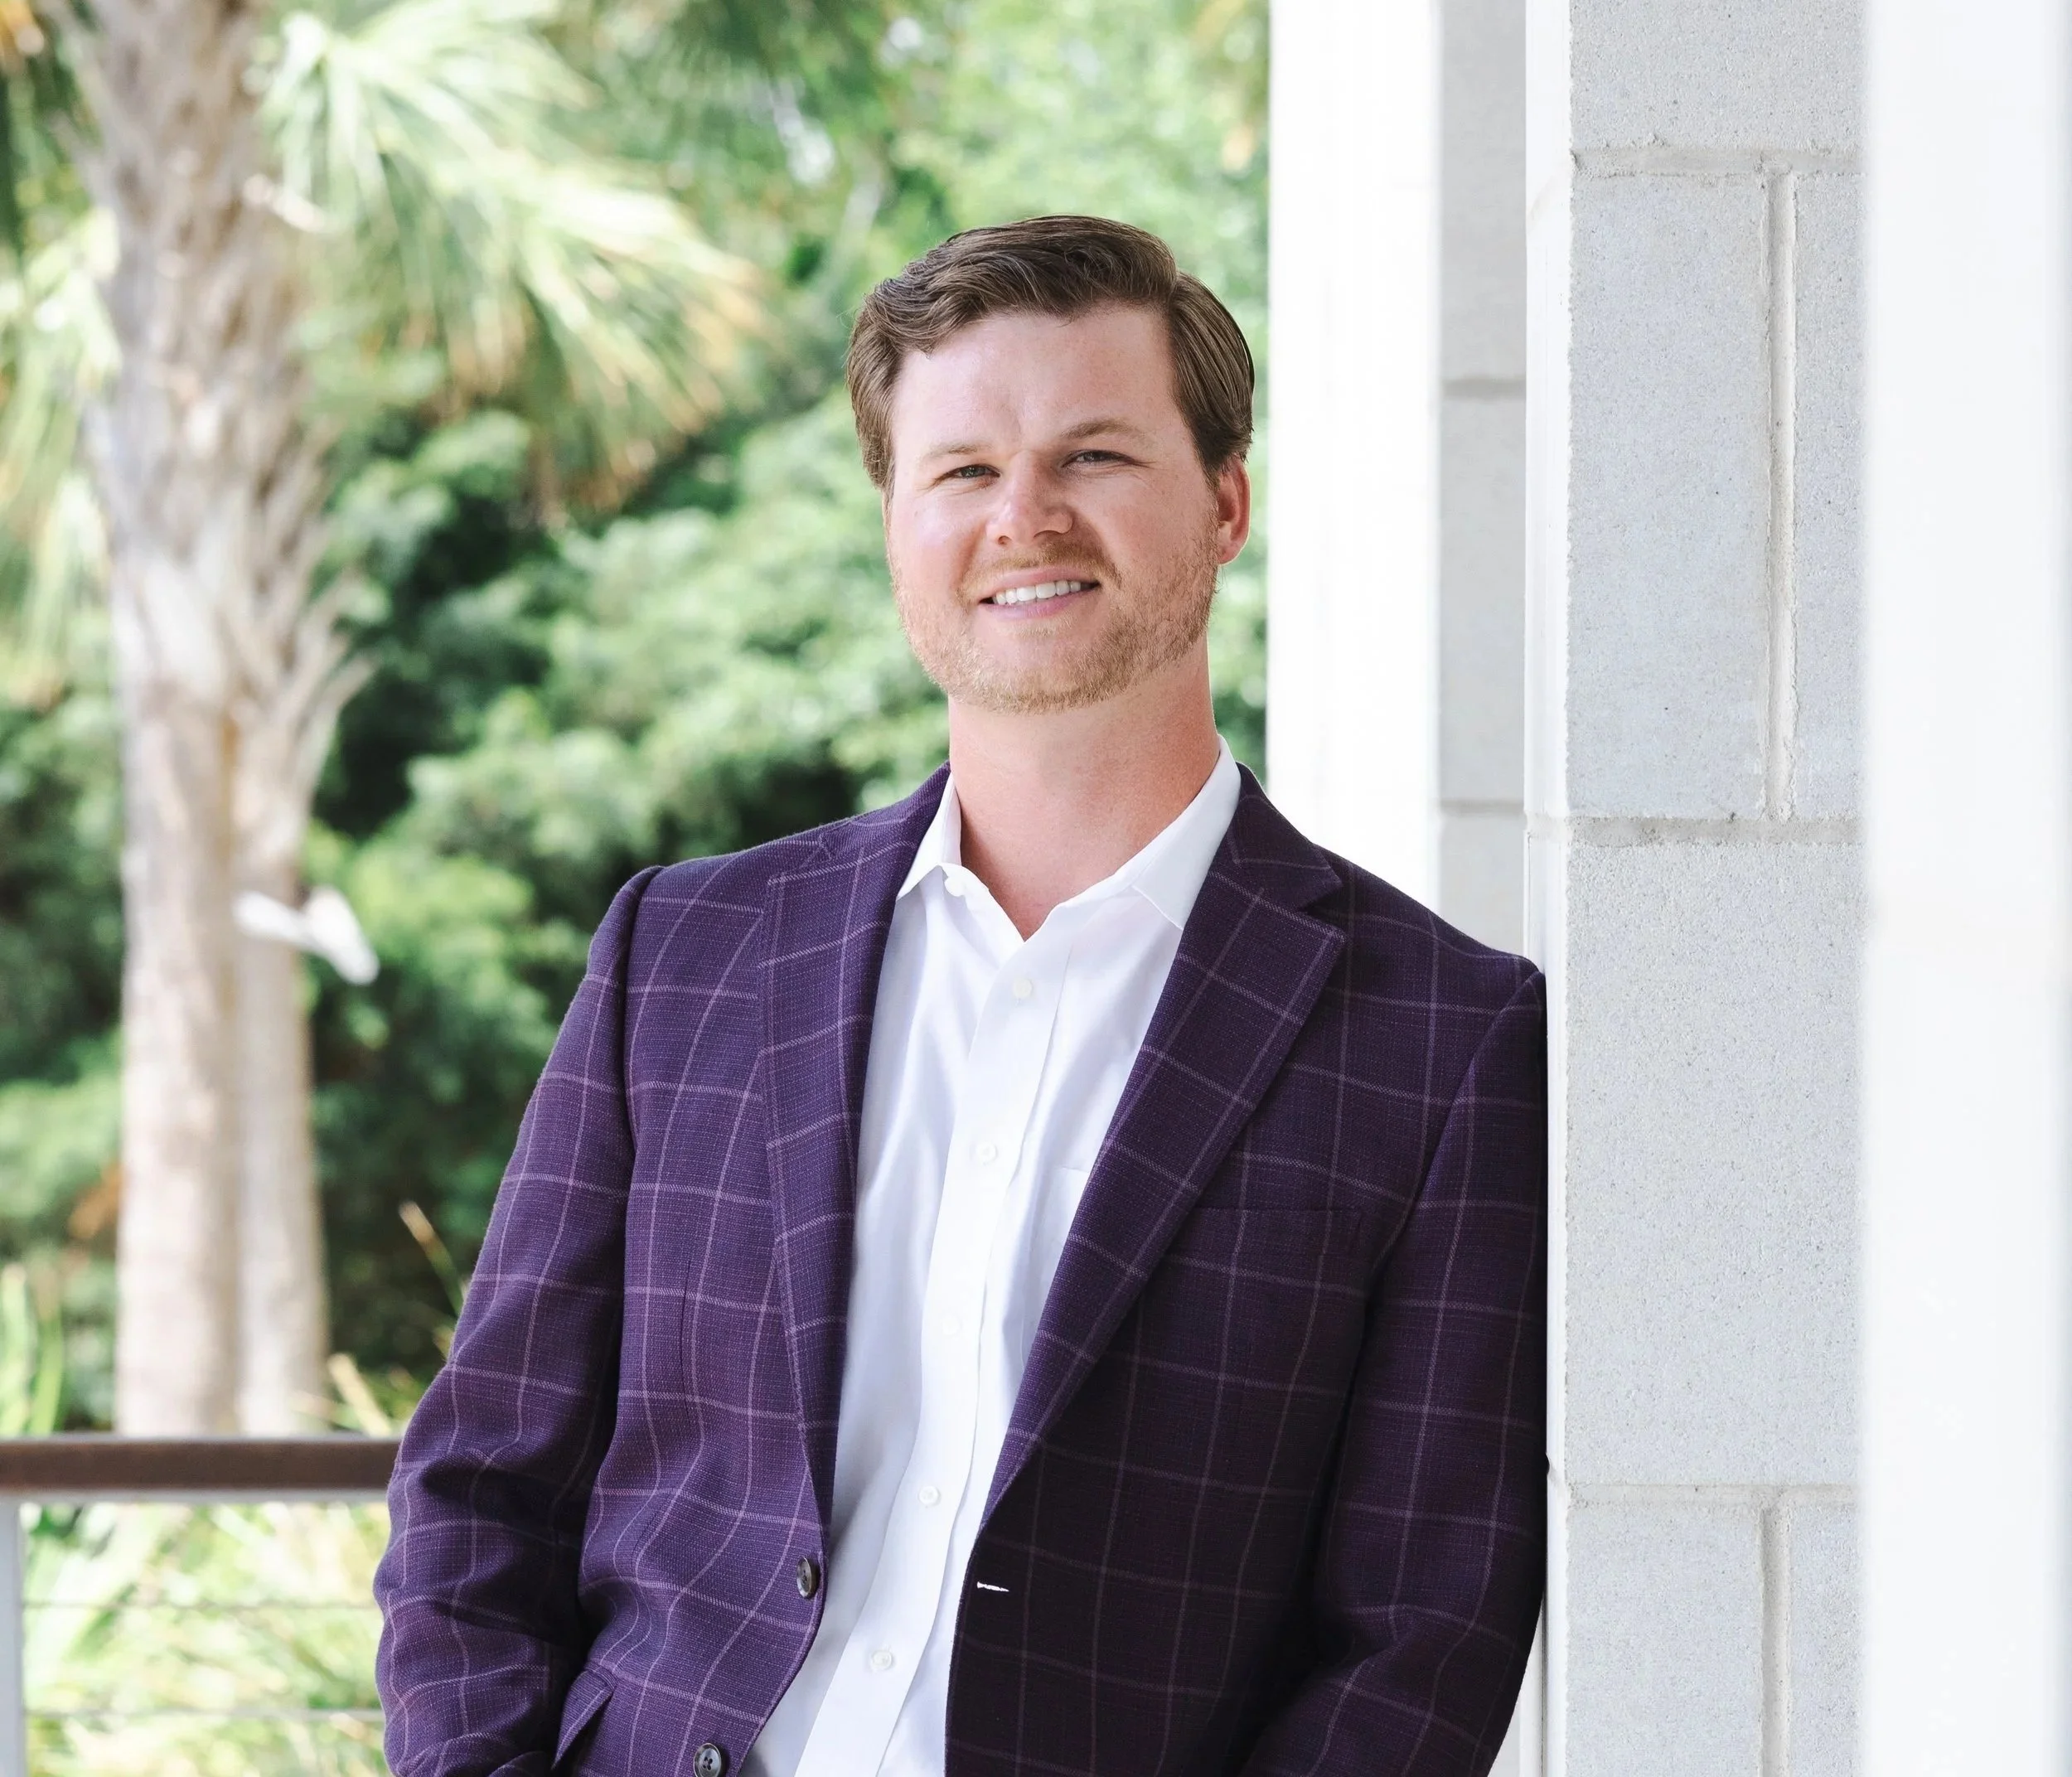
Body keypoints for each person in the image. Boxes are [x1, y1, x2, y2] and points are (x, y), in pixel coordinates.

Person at [375, 214, 1547, 1777]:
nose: (1026, 517)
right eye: (962, 472)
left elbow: (1423, 1634)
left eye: (1097, 457)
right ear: (895, 524)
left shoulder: (1442, 1041)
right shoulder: (690, 955)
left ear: (1225, 503)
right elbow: (481, 1481)